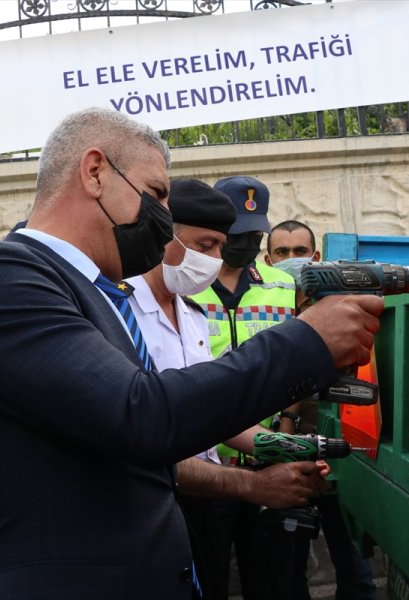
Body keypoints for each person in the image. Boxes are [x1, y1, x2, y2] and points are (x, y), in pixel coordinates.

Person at [0, 107, 383, 599]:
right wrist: (305, 339)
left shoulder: (94, 295)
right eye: (155, 194)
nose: (163, 219)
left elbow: (128, 452)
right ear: (95, 173)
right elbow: (142, 415)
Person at [126, 177, 326, 599]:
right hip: (161, 500)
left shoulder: (192, 315)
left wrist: (289, 448)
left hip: (208, 486)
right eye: (206, 246)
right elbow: (146, 438)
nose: (216, 260)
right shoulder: (121, 310)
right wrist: (253, 484)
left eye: (221, 246)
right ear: (163, 236)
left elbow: (213, 413)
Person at [191, 176, 303, 599]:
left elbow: (296, 365)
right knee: (209, 581)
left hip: (267, 461)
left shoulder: (282, 286)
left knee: (270, 583)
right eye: (237, 234)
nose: (246, 243)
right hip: (209, 468)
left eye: (255, 235)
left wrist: (286, 429)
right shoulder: (188, 286)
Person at [266, 220, 378, 600]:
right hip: (289, 459)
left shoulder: (338, 308)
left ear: (315, 257)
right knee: (288, 571)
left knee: (354, 568)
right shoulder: (267, 309)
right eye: (282, 252)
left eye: (300, 251)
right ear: (268, 259)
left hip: (340, 459)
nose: (292, 259)